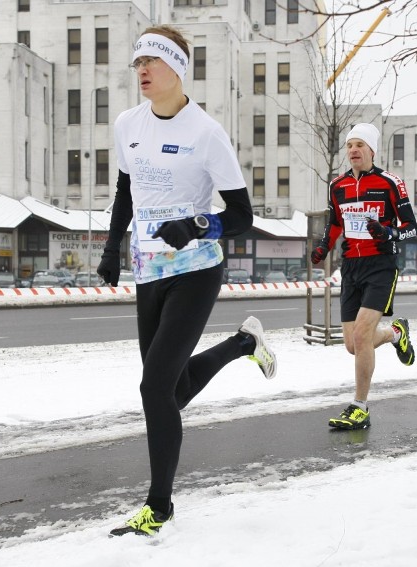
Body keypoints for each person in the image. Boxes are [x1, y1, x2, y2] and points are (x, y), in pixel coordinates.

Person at [97, 25, 277, 537]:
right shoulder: (128, 124)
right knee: (168, 393)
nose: (142, 72)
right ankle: (245, 342)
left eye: (151, 62)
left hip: (197, 269)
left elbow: (241, 213)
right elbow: (125, 192)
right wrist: (112, 247)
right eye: (137, 65)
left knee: (154, 387)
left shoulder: (205, 132)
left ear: (178, 68)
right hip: (148, 269)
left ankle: (160, 505)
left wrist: (200, 224)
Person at [311, 123, 417, 431]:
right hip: (351, 267)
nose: (353, 150)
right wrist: (323, 247)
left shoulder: (390, 183)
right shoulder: (338, 186)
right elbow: (334, 224)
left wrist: (388, 233)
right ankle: (396, 334)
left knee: (361, 337)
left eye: (360, 145)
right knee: (352, 344)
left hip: (381, 266)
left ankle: (359, 407)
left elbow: (411, 227)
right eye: (349, 145)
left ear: (371, 150)